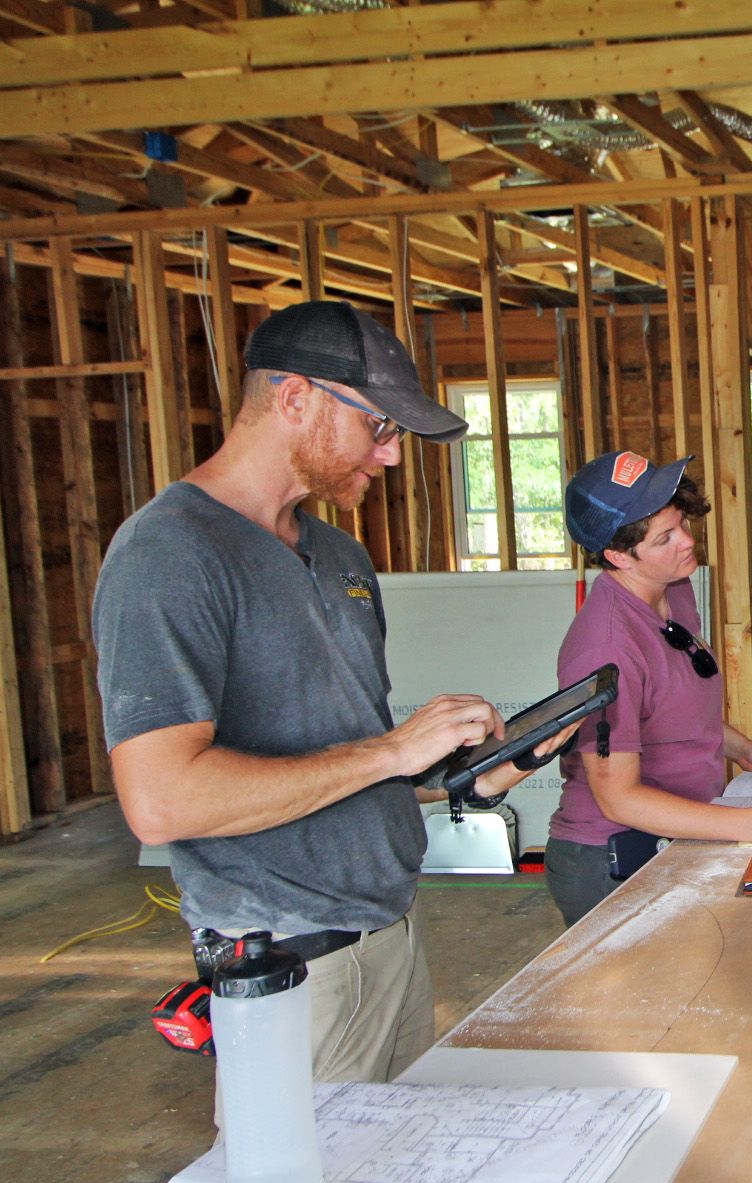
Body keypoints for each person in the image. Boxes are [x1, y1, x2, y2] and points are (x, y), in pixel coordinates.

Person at [94, 300, 569, 1088]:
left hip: (391, 941)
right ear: (294, 400)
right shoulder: (169, 555)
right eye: (379, 427)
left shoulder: (338, 554)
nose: (389, 457)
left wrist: (484, 771)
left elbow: (351, 768)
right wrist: (390, 748)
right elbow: (162, 801)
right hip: (290, 971)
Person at [545, 450, 752, 926]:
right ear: (616, 555)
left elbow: (673, 703)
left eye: (682, 522)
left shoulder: (672, 588)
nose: (688, 542)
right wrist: (749, 825)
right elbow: (618, 797)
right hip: (612, 861)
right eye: (665, 538)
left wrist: (739, 747)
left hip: (677, 837)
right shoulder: (605, 647)